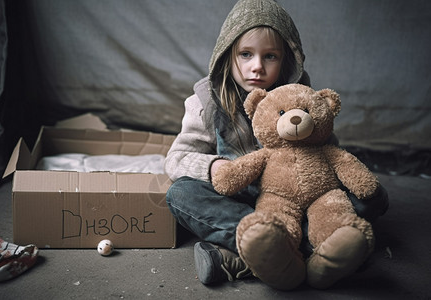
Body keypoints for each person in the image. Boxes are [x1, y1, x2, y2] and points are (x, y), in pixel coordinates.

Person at [164, 0, 389, 288]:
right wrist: (215, 166)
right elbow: (176, 158)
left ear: (285, 60)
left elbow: (326, 152)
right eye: (245, 54)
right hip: (239, 196)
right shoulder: (205, 102)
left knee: (372, 197)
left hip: (298, 198)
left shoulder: (299, 95)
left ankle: (247, 260)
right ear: (227, 55)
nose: (256, 67)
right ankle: (285, 246)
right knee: (180, 194)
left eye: (270, 56)